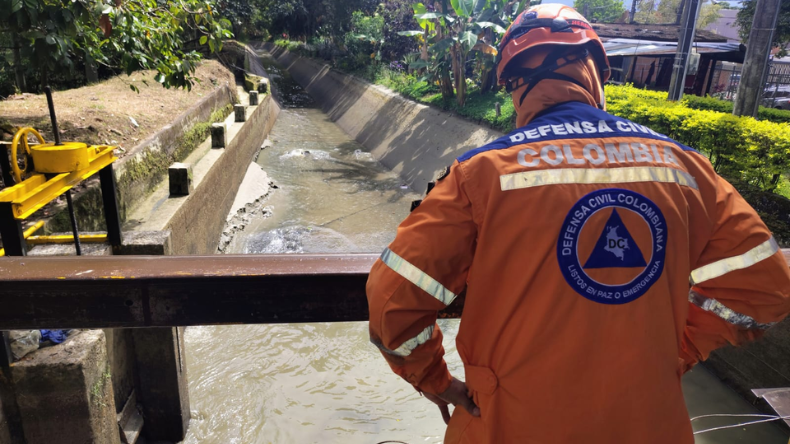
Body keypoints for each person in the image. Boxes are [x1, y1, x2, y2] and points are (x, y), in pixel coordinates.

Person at [365, 4, 790, 443]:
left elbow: (391, 302)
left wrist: (436, 381)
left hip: (511, 424)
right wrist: (677, 353)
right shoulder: (685, 168)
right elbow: (766, 287)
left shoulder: (482, 174)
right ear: (596, 76)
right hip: (645, 423)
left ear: (514, 87)